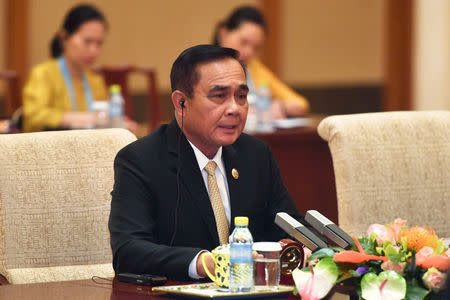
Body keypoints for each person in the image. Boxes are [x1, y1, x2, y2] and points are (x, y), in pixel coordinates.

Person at [108, 45, 309, 281]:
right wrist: (203, 263)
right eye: (219, 96)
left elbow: (288, 228)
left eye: (241, 96)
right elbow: (128, 251)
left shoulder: (256, 154)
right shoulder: (141, 160)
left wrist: (303, 247)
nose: (235, 108)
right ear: (181, 102)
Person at [22, 4, 136, 132]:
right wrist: (87, 118)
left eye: (99, 43)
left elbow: (101, 116)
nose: (93, 51)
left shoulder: (95, 80)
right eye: (87, 41)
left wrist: (116, 121)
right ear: (64, 37)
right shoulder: (43, 73)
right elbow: (33, 117)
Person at [213, 6, 309, 119]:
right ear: (223, 33)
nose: (249, 52)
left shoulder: (254, 68)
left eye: (256, 48)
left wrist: (281, 107)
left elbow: (301, 104)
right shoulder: (204, 67)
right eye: (243, 42)